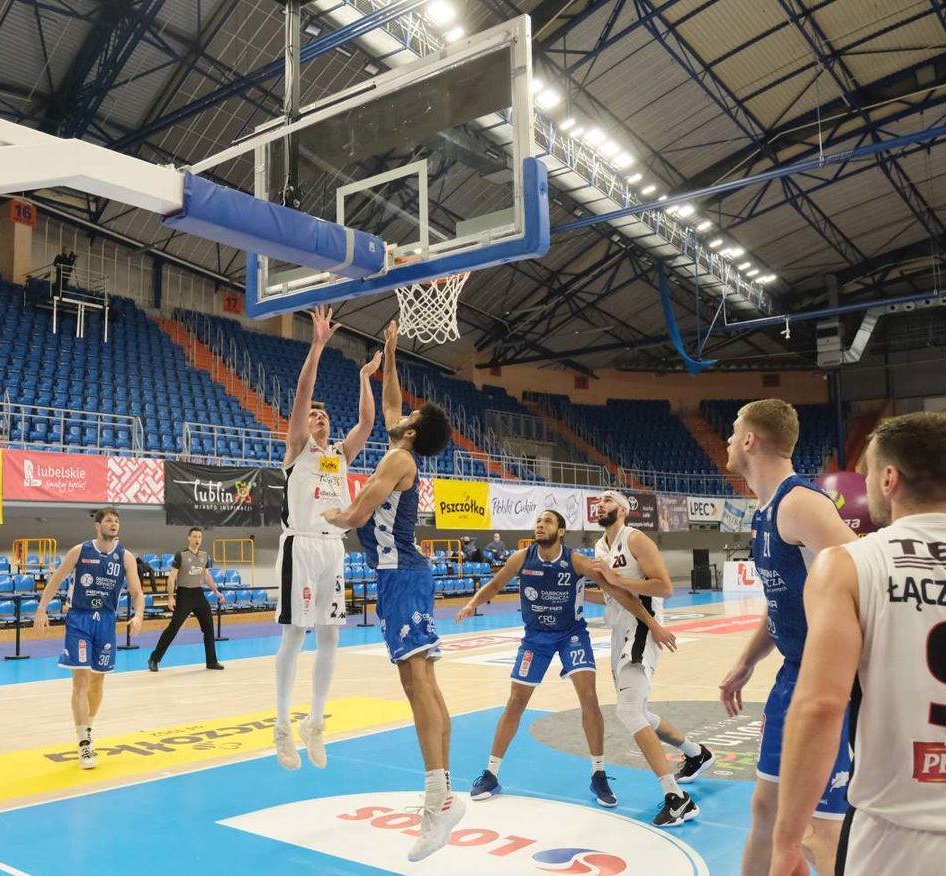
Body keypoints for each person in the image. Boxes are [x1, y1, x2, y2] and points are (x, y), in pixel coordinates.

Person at [771, 414, 946, 875]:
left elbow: (820, 707)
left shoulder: (847, 565)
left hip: (896, 839)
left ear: (889, 478)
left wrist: (788, 839)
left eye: (870, 472)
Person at [322, 320, 459, 863]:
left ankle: (436, 800)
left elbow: (355, 512)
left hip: (400, 574)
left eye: (409, 414)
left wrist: (326, 514)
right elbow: (394, 398)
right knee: (423, 680)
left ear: (410, 430)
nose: (402, 410)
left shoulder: (398, 457)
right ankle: (444, 793)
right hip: (405, 573)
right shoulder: (406, 452)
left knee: (415, 683)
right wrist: (392, 355)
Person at [720, 399, 858, 874]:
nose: (729, 439)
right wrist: (747, 660)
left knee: (821, 831)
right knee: (766, 809)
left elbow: (865, 573)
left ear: (751, 441)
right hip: (792, 672)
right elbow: (787, 601)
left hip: (824, 680)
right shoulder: (765, 510)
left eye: (734, 431)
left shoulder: (800, 503)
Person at [456, 509, 676, 808]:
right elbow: (495, 585)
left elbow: (616, 591)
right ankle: (491, 773)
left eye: (547, 522)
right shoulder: (521, 558)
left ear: (560, 531)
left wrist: (653, 624)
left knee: (589, 698)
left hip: (572, 635)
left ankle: (598, 772)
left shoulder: (576, 560)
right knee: (515, 702)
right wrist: (472, 603)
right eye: (537, 522)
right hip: (535, 638)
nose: (540, 525)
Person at [273, 305, 380, 771]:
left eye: (322, 416)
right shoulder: (296, 450)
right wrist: (316, 346)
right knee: (296, 635)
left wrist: (363, 377)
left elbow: (369, 424)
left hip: (333, 547)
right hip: (300, 543)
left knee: (332, 636)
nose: (317, 418)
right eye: (312, 417)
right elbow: (301, 394)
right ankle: (281, 726)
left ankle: (315, 723)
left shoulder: (338, 456)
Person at [592, 489, 714, 826]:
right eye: (598, 501)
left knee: (629, 711)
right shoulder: (600, 547)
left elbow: (664, 587)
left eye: (607, 500)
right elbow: (610, 592)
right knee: (640, 711)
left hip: (642, 627)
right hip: (619, 630)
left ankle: (676, 797)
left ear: (624, 509)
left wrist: (620, 581)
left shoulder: (636, 540)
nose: (600, 504)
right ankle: (696, 753)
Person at [34, 508, 144, 770]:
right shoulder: (80, 551)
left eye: (117, 521)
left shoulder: (125, 557)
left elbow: (137, 592)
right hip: (79, 620)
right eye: (108, 520)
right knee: (81, 679)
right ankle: (84, 743)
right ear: (98, 526)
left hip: (106, 622)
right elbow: (56, 579)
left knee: (98, 681)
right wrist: (41, 609)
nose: (113, 524)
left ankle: (87, 726)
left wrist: (139, 615)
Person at [148, 526, 225, 672]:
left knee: (209, 627)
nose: (197, 540)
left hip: (198, 594)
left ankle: (212, 661)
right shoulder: (181, 555)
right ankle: (154, 659)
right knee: (173, 628)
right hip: (184, 594)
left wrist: (216, 592)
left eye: (199, 537)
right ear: (189, 538)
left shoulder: (204, 555)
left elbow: (206, 576)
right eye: (194, 537)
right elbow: (172, 577)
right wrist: (170, 597)